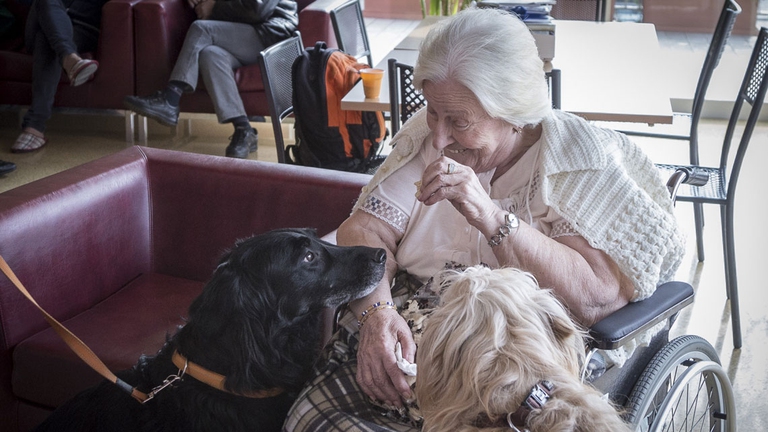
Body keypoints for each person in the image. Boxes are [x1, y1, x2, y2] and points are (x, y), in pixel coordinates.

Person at [283, 7, 685, 432]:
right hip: (404, 330)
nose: (439, 136)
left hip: (507, 359)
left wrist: (492, 217)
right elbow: (366, 230)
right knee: (309, 419)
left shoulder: (579, 161)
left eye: (459, 121)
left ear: (513, 113)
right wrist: (378, 315)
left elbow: (594, 298)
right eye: (432, 111)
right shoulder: (425, 139)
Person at [123, 0, 298, 159]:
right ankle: (244, 129)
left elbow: (257, 9)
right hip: (246, 32)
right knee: (210, 55)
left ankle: (171, 97)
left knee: (201, 29)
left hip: (272, 35)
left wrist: (214, 7)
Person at [11, 0, 103, 153]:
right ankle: (70, 59)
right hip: (42, 18)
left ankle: (35, 126)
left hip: (83, 29)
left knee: (46, 39)